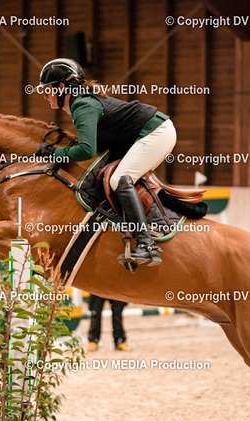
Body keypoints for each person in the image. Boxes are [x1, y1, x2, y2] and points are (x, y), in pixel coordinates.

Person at [35, 58, 176, 267]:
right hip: (146, 134)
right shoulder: (80, 103)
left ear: (62, 87)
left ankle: (147, 245)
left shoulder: (82, 105)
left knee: (120, 179)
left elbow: (86, 150)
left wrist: (54, 153)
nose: (45, 96)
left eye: (47, 90)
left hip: (155, 132)